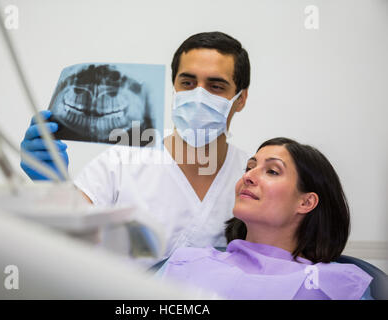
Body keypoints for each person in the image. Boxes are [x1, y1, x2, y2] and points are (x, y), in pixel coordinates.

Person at [20, 32, 251, 264]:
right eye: (187, 83)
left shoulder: (251, 178)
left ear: (240, 99)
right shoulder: (120, 161)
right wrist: (52, 184)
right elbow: (69, 238)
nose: (198, 95)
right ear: (174, 88)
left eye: (216, 86)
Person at [158, 137, 373, 300]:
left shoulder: (338, 286)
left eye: (271, 171)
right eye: (249, 167)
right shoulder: (185, 263)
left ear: (306, 203)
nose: (247, 176)